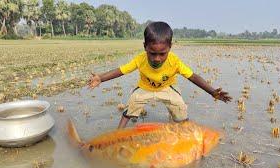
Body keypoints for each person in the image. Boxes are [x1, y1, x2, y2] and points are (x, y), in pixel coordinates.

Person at [88, 21, 232, 128]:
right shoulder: (140, 60)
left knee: (180, 109)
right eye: (152, 53)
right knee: (131, 107)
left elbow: (193, 77)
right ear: (145, 47)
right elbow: (121, 70)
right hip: (145, 88)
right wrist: (100, 78)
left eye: (162, 54)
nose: (157, 58)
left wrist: (212, 92)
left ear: (170, 48)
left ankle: (186, 132)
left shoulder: (174, 61)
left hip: (167, 88)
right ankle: (117, 136)